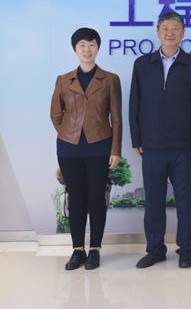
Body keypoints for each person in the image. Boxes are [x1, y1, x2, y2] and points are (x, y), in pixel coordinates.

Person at [129, 11, 191, 269]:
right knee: (153, 202)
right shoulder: (143, 64)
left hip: (183, 147)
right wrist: (137, 138)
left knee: (185, 201)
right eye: (165, 28)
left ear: (183, 33)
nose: (170, 32)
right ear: (158, 32)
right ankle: (155, 250)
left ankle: (186, 249)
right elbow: (134, 104)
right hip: (151, 145)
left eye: (175, 28)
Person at [51, 27, 122, 270]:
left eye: (92, 44)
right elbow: (56, 114)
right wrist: (69, 133)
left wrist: (115, 149)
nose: (87, 49)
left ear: (98, 48)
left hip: (100, 146)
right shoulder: (63, 80)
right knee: (76, 199)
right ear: (75, 49)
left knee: (96, 198)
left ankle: (95, 250)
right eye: (82, 45)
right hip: (68, 149)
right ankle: (78, 250)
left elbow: (116, 118)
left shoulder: (110, 79)